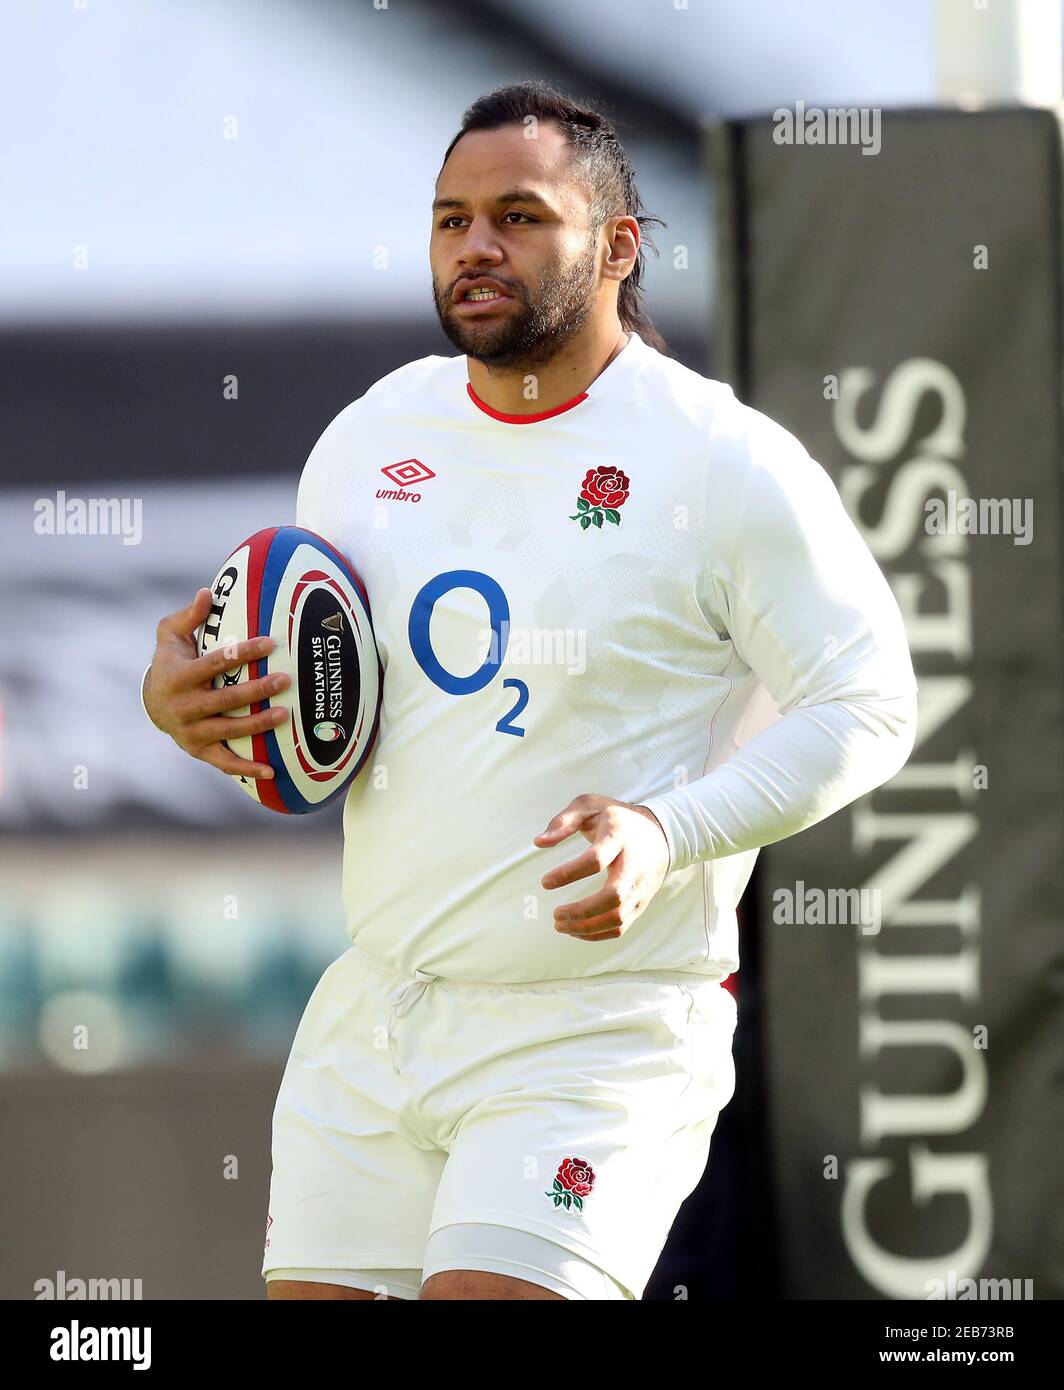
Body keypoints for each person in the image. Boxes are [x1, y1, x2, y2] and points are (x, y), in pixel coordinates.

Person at [142, 80, 918, 1301]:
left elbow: (869, 702)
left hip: (597, 1033)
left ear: (617, 246)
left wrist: (668, 830)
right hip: (379, 1011)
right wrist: (181, 703)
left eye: (517, 216)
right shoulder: (365, 439)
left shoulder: (719, 458)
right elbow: (316, 704)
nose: (475, 247)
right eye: (450, 220)